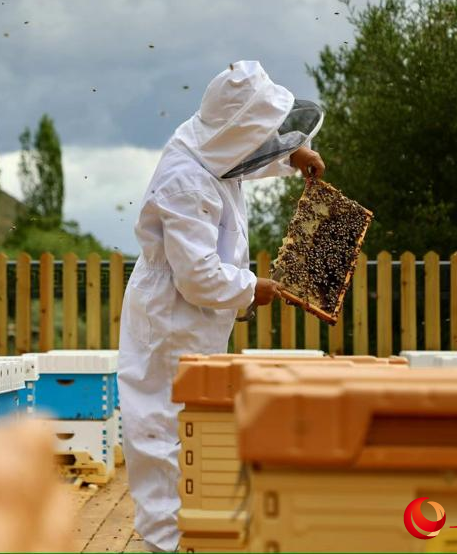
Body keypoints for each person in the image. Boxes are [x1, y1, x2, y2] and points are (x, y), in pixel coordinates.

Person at [116, 60, 325, 552]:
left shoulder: (208, 145)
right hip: (171, 315)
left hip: (192, 314)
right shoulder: (185, 181)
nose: (265, 139)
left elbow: (242, 156)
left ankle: (193, 529)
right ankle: (165, 542)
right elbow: (198, 276)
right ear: (237, 128)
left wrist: (290, 156)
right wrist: (255, 289)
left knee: (193, 420)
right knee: (161, 426)